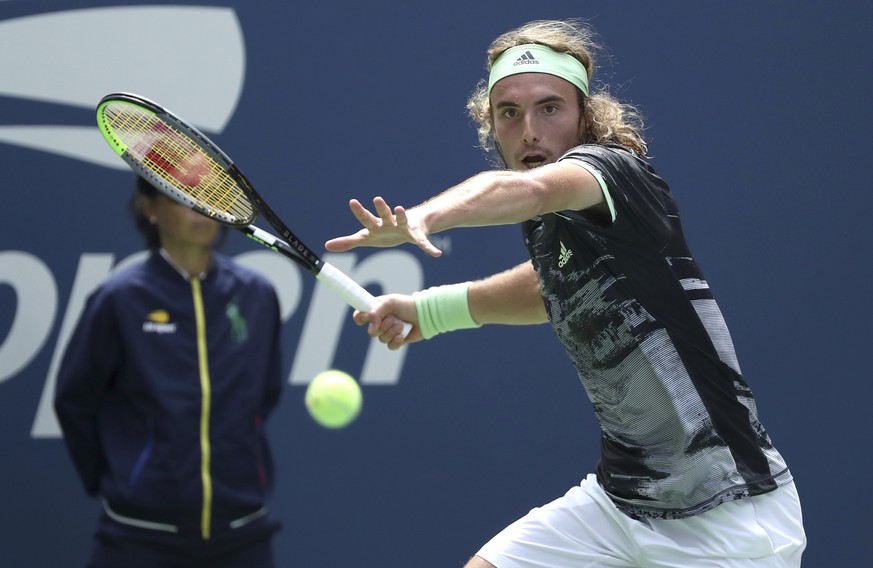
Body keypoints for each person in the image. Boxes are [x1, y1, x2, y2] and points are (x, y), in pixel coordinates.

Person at [325, 19, 806, 568]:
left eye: (549, 108)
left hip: (728, 514)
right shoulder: (551, 225)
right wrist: (429, 311)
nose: (529, 130)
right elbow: (549, 289)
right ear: (492, 126)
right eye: (509, 113)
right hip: (623, 501)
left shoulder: (610, 172)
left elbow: (528, 190)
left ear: (584, 116)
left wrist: (427, 217)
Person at [55, 175, 283, 567]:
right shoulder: (120, 298)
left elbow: (265, 393)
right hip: (139, 538)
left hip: (243, 534)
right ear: (149, 206)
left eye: (209, 193)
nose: (200, 207)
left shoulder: (257, 294)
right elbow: (75, 401)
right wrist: (128, 476)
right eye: (183, 195)